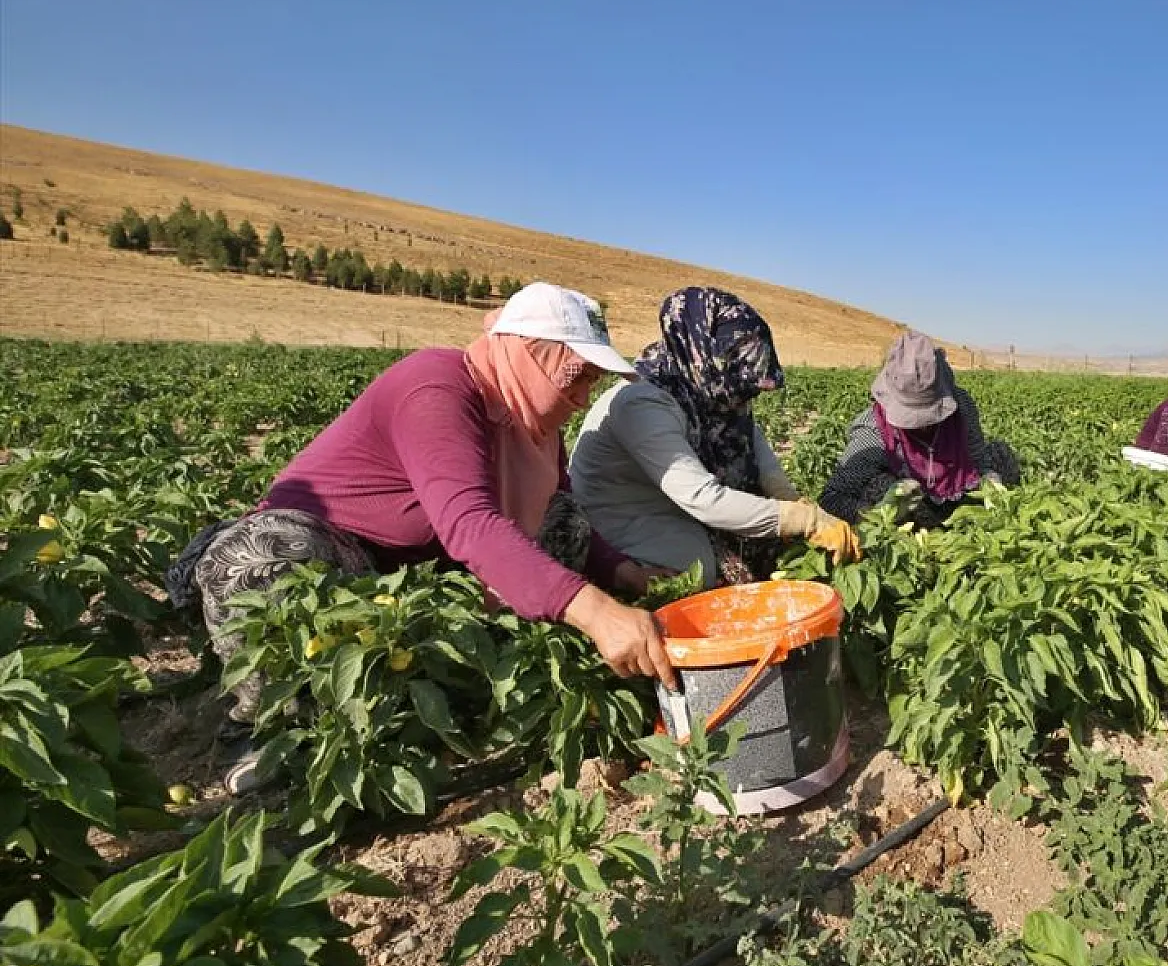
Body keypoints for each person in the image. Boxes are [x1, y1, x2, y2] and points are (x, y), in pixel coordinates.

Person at [164, 284, 675, 793]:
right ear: (528, 353)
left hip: (416, 573)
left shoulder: (532, 426)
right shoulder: (438, 386)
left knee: (554, 521)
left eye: (592, 379)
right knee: (258, 562)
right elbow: (469, 522)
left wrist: (627, 574)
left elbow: (563, 511)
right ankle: (265, 727)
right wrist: (598, 613)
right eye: (575, 376)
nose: (583, 397)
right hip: (342, 552)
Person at [570, 286, 860, 587]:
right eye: (740, 386)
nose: (744, 399)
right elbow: (702, 498)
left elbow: (755, 445)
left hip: (669, 501)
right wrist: (800, 521)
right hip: (622, 515)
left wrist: (791, 500)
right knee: (695, 570)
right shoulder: (643, 403)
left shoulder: (707, 389)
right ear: (706, 358)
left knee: (768, 538)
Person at [819, 331, 1019, 527]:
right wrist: (878, 513)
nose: (923, 424)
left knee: (1001, 456)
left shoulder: (962, 408)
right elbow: (832, 498)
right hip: (911, 510)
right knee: (879, 487)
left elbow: (978, 460)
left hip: (959, 499)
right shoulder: (874, 429)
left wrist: (990, 482)